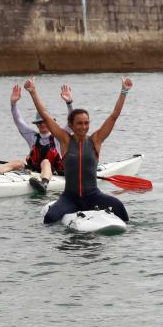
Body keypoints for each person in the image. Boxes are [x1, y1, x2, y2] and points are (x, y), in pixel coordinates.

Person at [28, 77, 133, 226]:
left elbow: (114, 115)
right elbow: (44, 114)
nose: (83, 127)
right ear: (71, 125)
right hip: (70, 198)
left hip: (93, 196)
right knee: (50, 218)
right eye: (79, 123)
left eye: (86, 123)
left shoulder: (96, 140)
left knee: (119, 207)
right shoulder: (65, 140)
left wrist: (124, 91)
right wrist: (33, 92)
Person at [0, 84, 74, 190]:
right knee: (17, 162)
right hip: (34, 170)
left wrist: (69, 103)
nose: (42, 124)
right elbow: (18, 121)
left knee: (45, 162)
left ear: (51, 122)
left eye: (44, 121)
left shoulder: (58, 136)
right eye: (39, 122)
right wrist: (13, 104)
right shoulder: (32, 137)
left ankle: (44, 184)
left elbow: (72, 124)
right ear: (36, 125)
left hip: (55, 171)